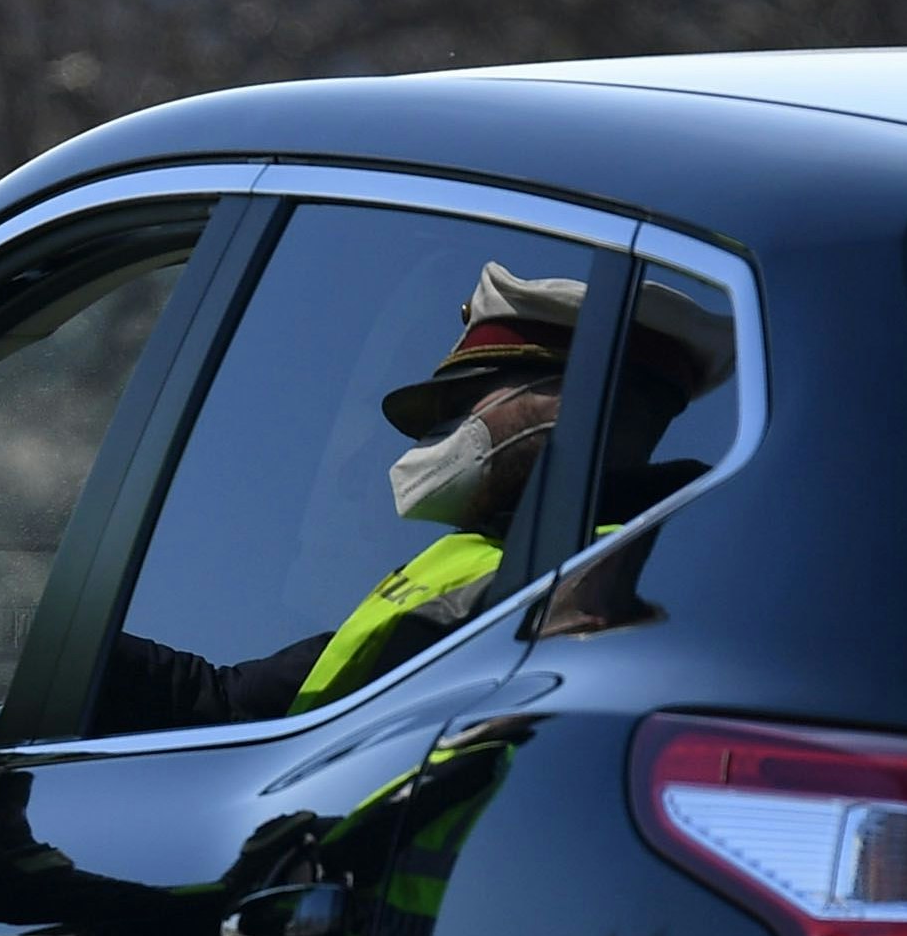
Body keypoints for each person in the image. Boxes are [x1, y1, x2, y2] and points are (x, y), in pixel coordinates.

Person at [93, 261, 734, 734]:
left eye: (462, 408)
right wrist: (40, 637)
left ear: (571, 408)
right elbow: (235, 705)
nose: (438, 440)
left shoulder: (608, 592)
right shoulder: (477, 563)